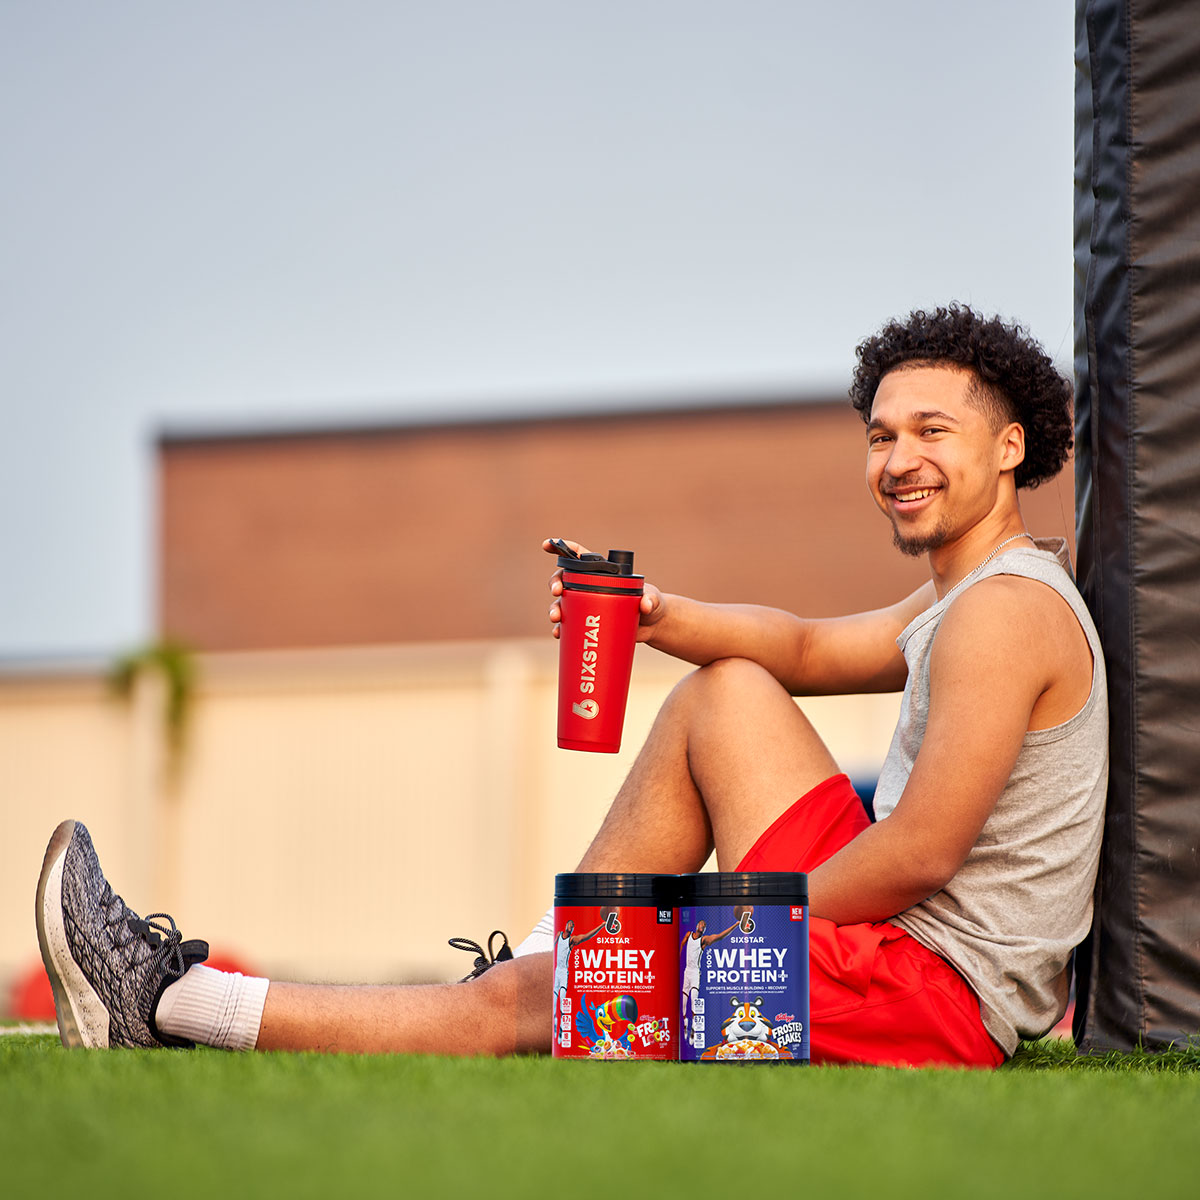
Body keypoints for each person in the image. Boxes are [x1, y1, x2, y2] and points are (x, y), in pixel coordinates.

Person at [35, 303, 1107, 1067]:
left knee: (565, 994)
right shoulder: (970, 598)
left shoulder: (1004, 613)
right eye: (880, 434)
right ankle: (551, 971)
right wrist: (654, 616)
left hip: (924, 1001)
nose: (897, 458)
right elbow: (812, 651)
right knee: (725, 691)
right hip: (888, 946)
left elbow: (920, 850)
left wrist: (703, 915)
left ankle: (169, 1002)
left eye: (933, 431)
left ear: (1011, 446)